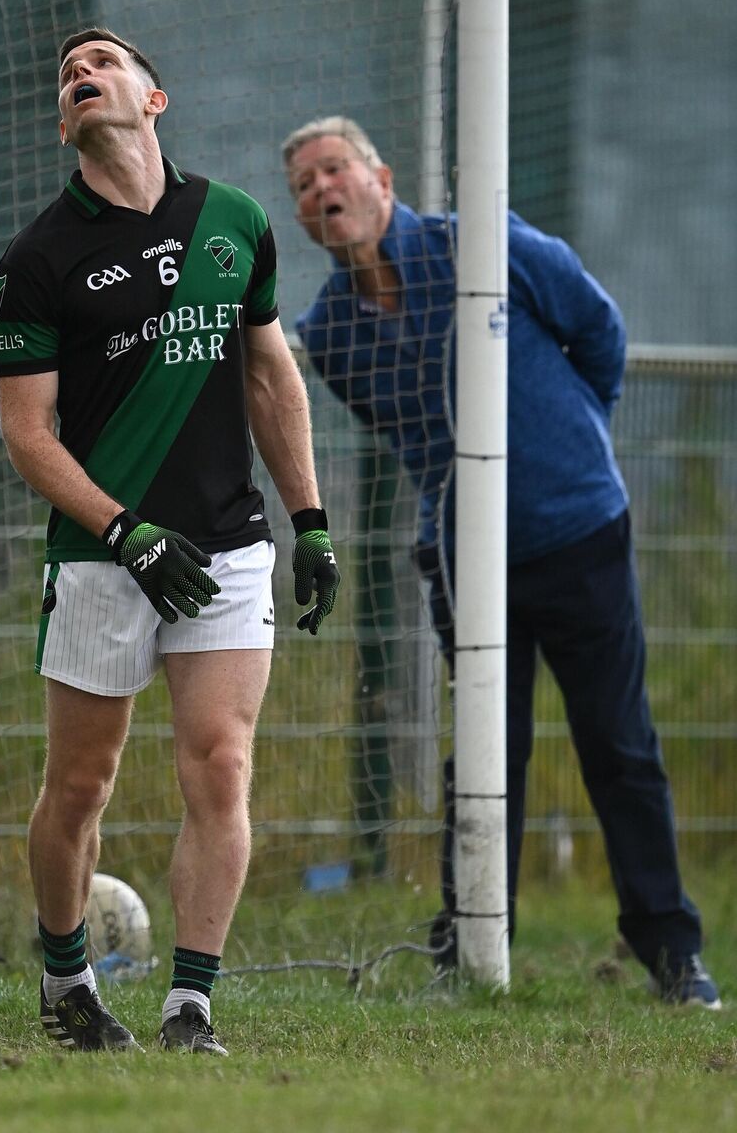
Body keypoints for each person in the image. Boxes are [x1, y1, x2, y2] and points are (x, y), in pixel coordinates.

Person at [281, 115, 720, 1009]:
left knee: (619, 747)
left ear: (381, 180)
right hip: (463, 557)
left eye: (334, 171)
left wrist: (566, 444)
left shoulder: (484, 248)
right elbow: (404, 437)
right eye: (302, 186)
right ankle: (473, 951)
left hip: (579, 532)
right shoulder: (328, 334)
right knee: (483, 756)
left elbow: (597, 332)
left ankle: (671, 954)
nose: (321, 193)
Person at [0, 29, 340, 1056]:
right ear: (66, 124)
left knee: (221, 768)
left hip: (226, 548)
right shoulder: (36, 258)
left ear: (152, 97)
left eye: (100, 60)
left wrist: (309, 521)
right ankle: (65, 983)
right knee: (81, 786)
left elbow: (272, 378)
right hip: (103, 555)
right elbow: (26, 434)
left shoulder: (231, 221)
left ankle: (190, 1003)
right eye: (65, 74)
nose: (80, 72)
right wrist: (120, 528)